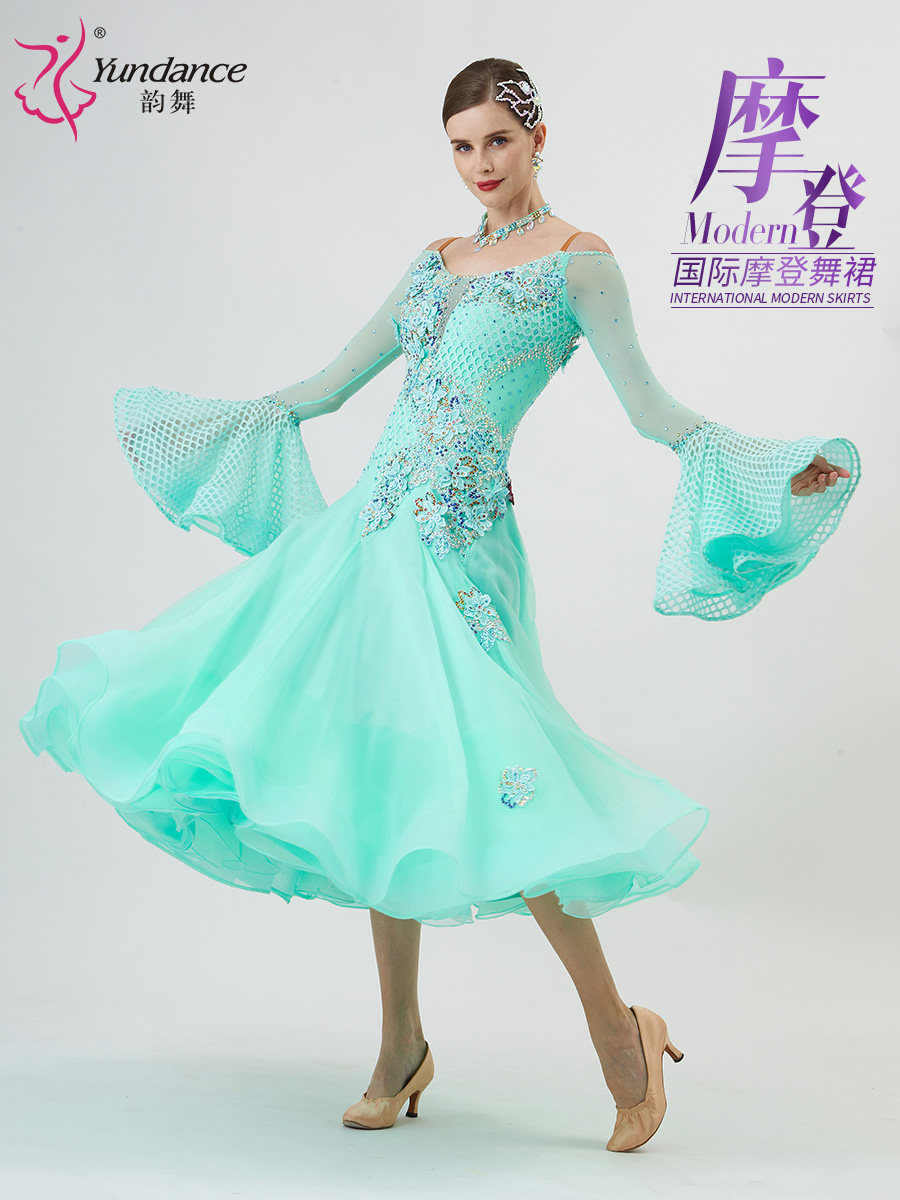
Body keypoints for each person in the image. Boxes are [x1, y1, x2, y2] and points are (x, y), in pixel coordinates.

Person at [18, 57, 860, 1151]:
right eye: (461, 147)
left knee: (511, 782)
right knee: (382, 775)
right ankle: (401, 1043)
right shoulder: (434, 261)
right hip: (368, 545)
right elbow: (329, 388)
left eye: (497, 141)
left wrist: (775, 469)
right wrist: (205, 425)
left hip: (463, 553)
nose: (479, 165)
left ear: (539, 137)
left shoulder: (580, 263)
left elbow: (651, 411)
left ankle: (620, 1032)